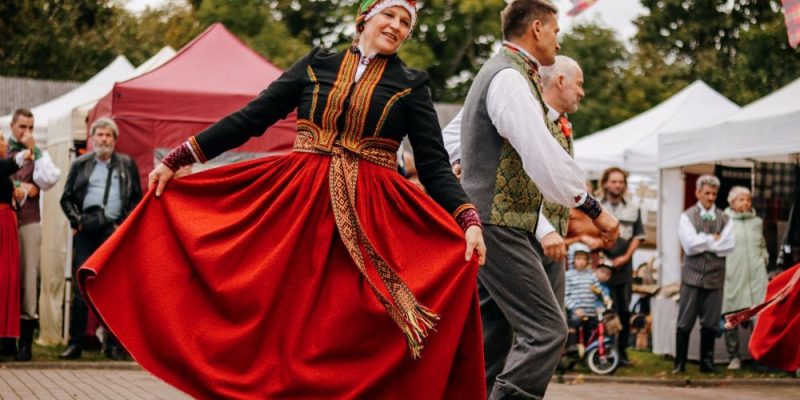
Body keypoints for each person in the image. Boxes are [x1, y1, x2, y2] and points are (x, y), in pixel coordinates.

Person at [77, 1, 487, 398]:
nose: (397, 26)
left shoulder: (412, 84)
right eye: (390, 15)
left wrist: (467, 218)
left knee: (344, 324)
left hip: (369, 218)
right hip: (298, 207)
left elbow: (433, 165)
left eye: (405, 22)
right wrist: (181, 156)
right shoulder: (317, 64)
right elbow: (252, 117)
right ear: (364, 18)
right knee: (278, 313)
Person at [458, 1, 619, 398]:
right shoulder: (509, 78)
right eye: (556, 31)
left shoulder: (509, 74)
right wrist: (594, 209)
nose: (558, 41)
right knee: (547, 331)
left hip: (500, 220)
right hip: (500, 222)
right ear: (536, 28)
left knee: (496, 331)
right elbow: (541, 156)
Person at [443, 55, 586, 310]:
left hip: (547, 237)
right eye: (579, 84)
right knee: (540, 323)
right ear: (560, 81)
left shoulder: (556, 119)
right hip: (509, 229)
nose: (582, 92)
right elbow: (449, 139)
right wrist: (468, 163)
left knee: (529, 320)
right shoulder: (510, 91)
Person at [59, 118, 142, 360]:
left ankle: (113, 346)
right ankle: (76, 343)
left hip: (114, 233)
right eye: (100, 135)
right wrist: (76, 221)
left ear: (115, 140)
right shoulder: (80, 164)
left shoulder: (127, 165)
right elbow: (66, 198)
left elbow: (136, 199)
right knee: (81, 286)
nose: (103, 139)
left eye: (108, 135)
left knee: (113, 287)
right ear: (92, 138)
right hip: (87, 231)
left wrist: (123, 226)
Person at [673, 174, 735, 374]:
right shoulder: (687, 216)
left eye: (714, 194)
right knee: (685, 321)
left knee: (710, 322)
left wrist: (703, 240)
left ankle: (706, 364)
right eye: (707, 193)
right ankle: (680, 363)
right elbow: (690, 246)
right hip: (692, 277)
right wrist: (712, 239)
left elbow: (728, 246)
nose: (710, 197)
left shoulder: (726, 218)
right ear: (697, 193)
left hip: (715, 277)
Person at [598, 167, 644, 366]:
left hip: (624, 266)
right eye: (614, 181)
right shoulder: (597, 206)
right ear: (605, 183)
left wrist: (625, 257)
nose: (618, 185)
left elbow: (638, 236)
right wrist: (601, 258)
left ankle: (622, 352)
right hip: (602, 266)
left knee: (624, 310)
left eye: (621, 182)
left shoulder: (633, 208)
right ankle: (602, 351)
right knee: (604, 309)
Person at [722, 186, 768, 370]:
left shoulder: (757, 222)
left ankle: (758, 357)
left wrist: (764, 258)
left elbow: (762, 244)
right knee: (732, 314)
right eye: (741, 199)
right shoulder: (724, 221)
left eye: (748, 199)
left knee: (758, 315)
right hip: (734, 275)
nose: (746, 203)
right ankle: (734, 357)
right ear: (732, 202)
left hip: (756, 275)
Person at [0, 130, 34, 355]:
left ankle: (6, 338)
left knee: (8, 280)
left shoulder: (4, 172)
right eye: (1, 139)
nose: (4, 143)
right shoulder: (4, 166)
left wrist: (16, 195)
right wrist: (26, 153)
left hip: (7, 224)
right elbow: (6, 166)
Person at [564, 243, 611, 355]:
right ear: (572, 259)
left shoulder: (591, 276)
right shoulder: (568, 275)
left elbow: (599, 290)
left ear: (588, 260)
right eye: (578, 259)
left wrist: (605, 298)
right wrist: (575, 308)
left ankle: (589, 350)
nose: (581, 262)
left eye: (584, 259)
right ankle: (571, 346)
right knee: (574, 322)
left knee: (592, 327)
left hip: (590, 310)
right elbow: (565, 295)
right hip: (576, 310)